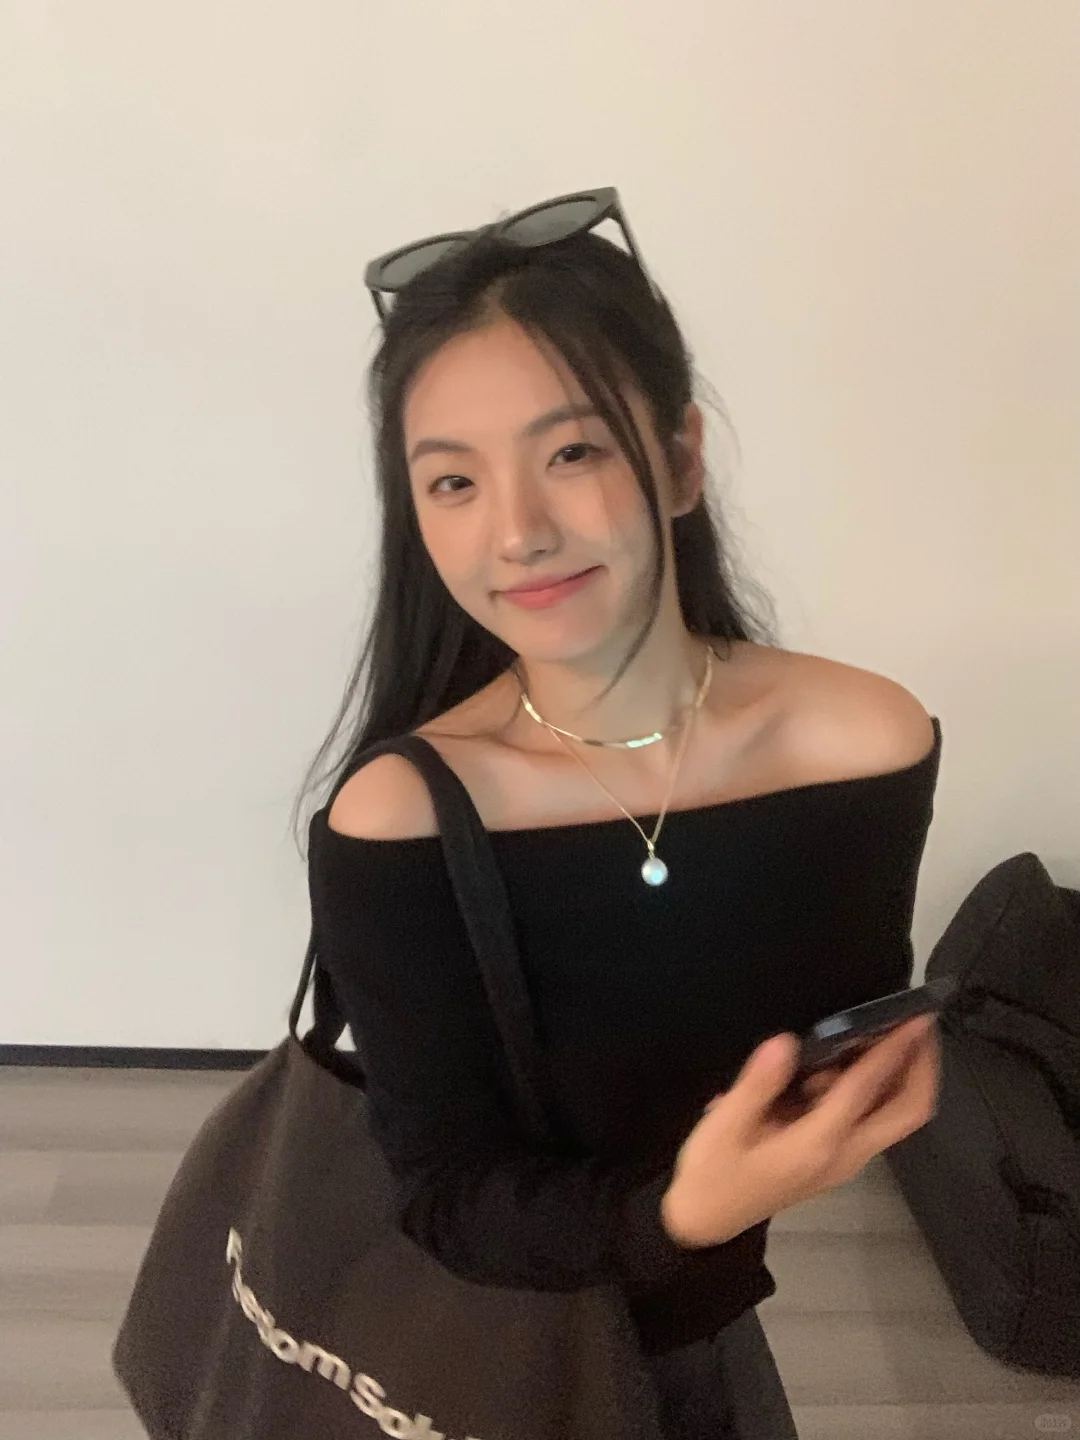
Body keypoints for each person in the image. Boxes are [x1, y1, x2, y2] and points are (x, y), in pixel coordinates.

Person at [297, 191, 943, 1439]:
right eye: (453, 481)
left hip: (702, 1329)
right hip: (482, 1353)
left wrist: (831, 1120)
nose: (519, 532)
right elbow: (444, 1196)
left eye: (573, 453)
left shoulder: (861, 745)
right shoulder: (398, 819)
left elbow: (832, 1043)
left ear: (681, 460)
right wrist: (683, 1213)